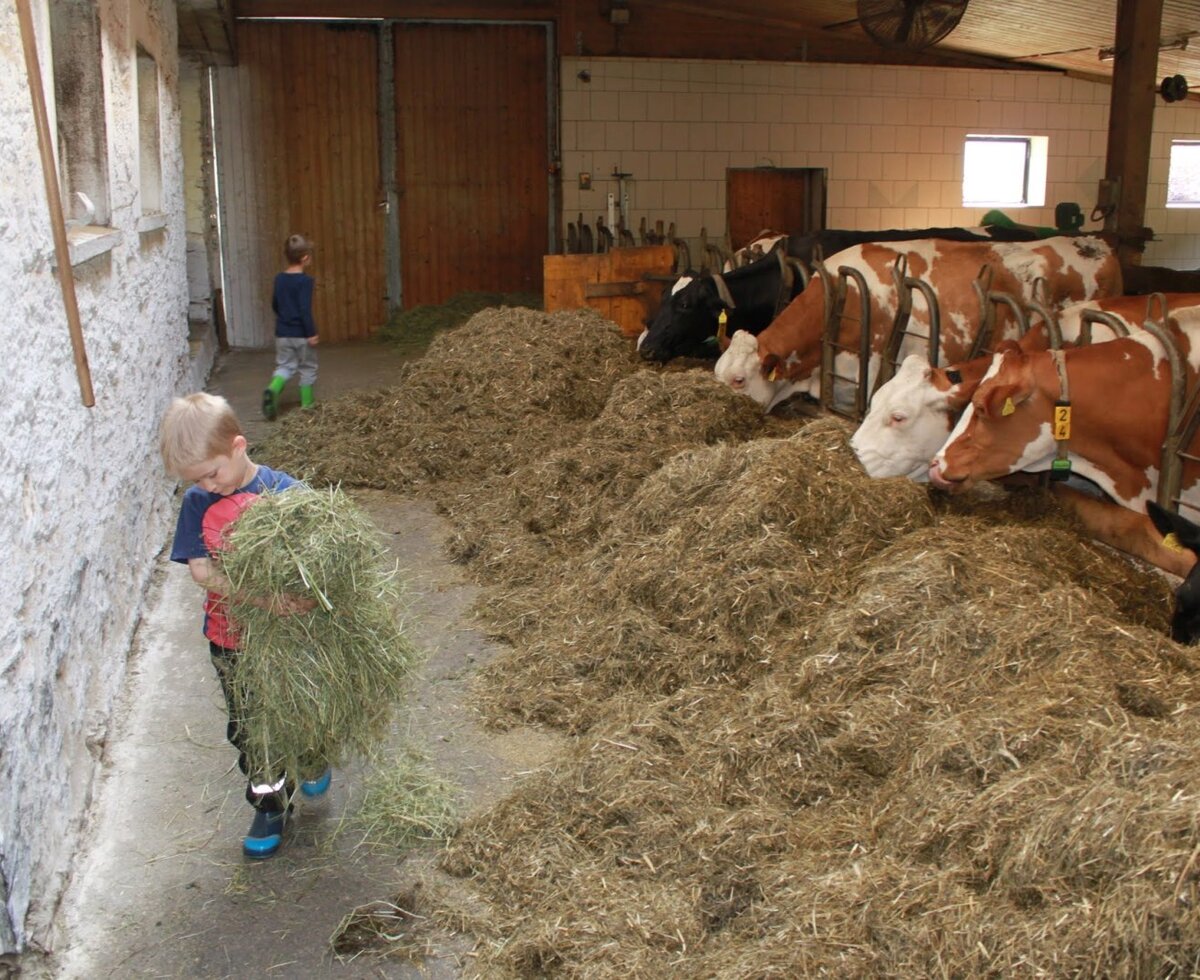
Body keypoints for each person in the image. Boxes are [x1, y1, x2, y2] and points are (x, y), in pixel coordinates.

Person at [160, 392, 331, 859]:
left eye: (212, 473)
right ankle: (271, 803)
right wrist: (263, 600)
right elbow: (202, 571)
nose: (207, 485)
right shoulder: (198, 503)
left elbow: (323, 556)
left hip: (292, 637)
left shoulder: (286, 494)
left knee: (301, 705)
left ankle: (313, 753)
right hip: (231, 637)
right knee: (252, 727)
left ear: (238, 446)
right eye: (196, 479)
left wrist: (306, 597)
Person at [262, 234, 319, 420]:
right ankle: (307, 408)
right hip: (301, 334)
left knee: (285, 366)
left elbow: (275, 304)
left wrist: (283, 319)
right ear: (305, 258)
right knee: (308, 368)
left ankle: (273, 389)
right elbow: (304, 310)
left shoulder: (279, 279)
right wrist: (311, 333)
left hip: (283, 333)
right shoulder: (305, 281)